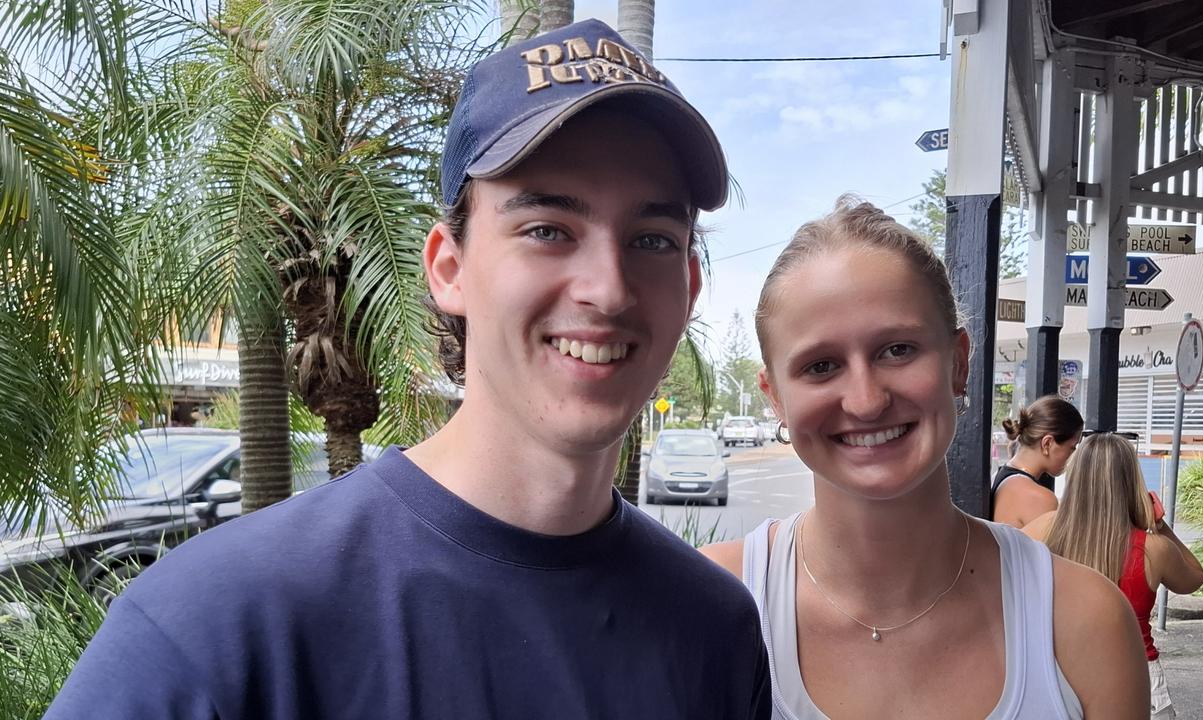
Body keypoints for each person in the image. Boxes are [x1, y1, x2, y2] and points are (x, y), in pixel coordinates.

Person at [46, 20, 770, 719]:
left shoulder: (713, 630)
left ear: (691, 289)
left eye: (650, 239)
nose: (607, 289)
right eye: (548, 230)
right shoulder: (220, 625)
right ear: (448, 269)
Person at [701, 197, 1149, 719]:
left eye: (898, 350)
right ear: (774, 395)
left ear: (959, 363)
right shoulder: (710, 603)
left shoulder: (1081, 621)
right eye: (821, 366)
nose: (866, 400)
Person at [1023, 433, 1203, 719]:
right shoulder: (1153, 549)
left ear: (1077, 477)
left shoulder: (1046, 528)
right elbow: (1194, 578)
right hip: (1137, 674)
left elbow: (1001, 567)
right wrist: (1160, 525)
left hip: (1061, 669)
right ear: (1132, 482)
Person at [992, 395, 1083, 528]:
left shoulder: (999, 477)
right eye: (1072, 447)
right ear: (1047, 443)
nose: (1073, 455)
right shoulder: (1039, 498)